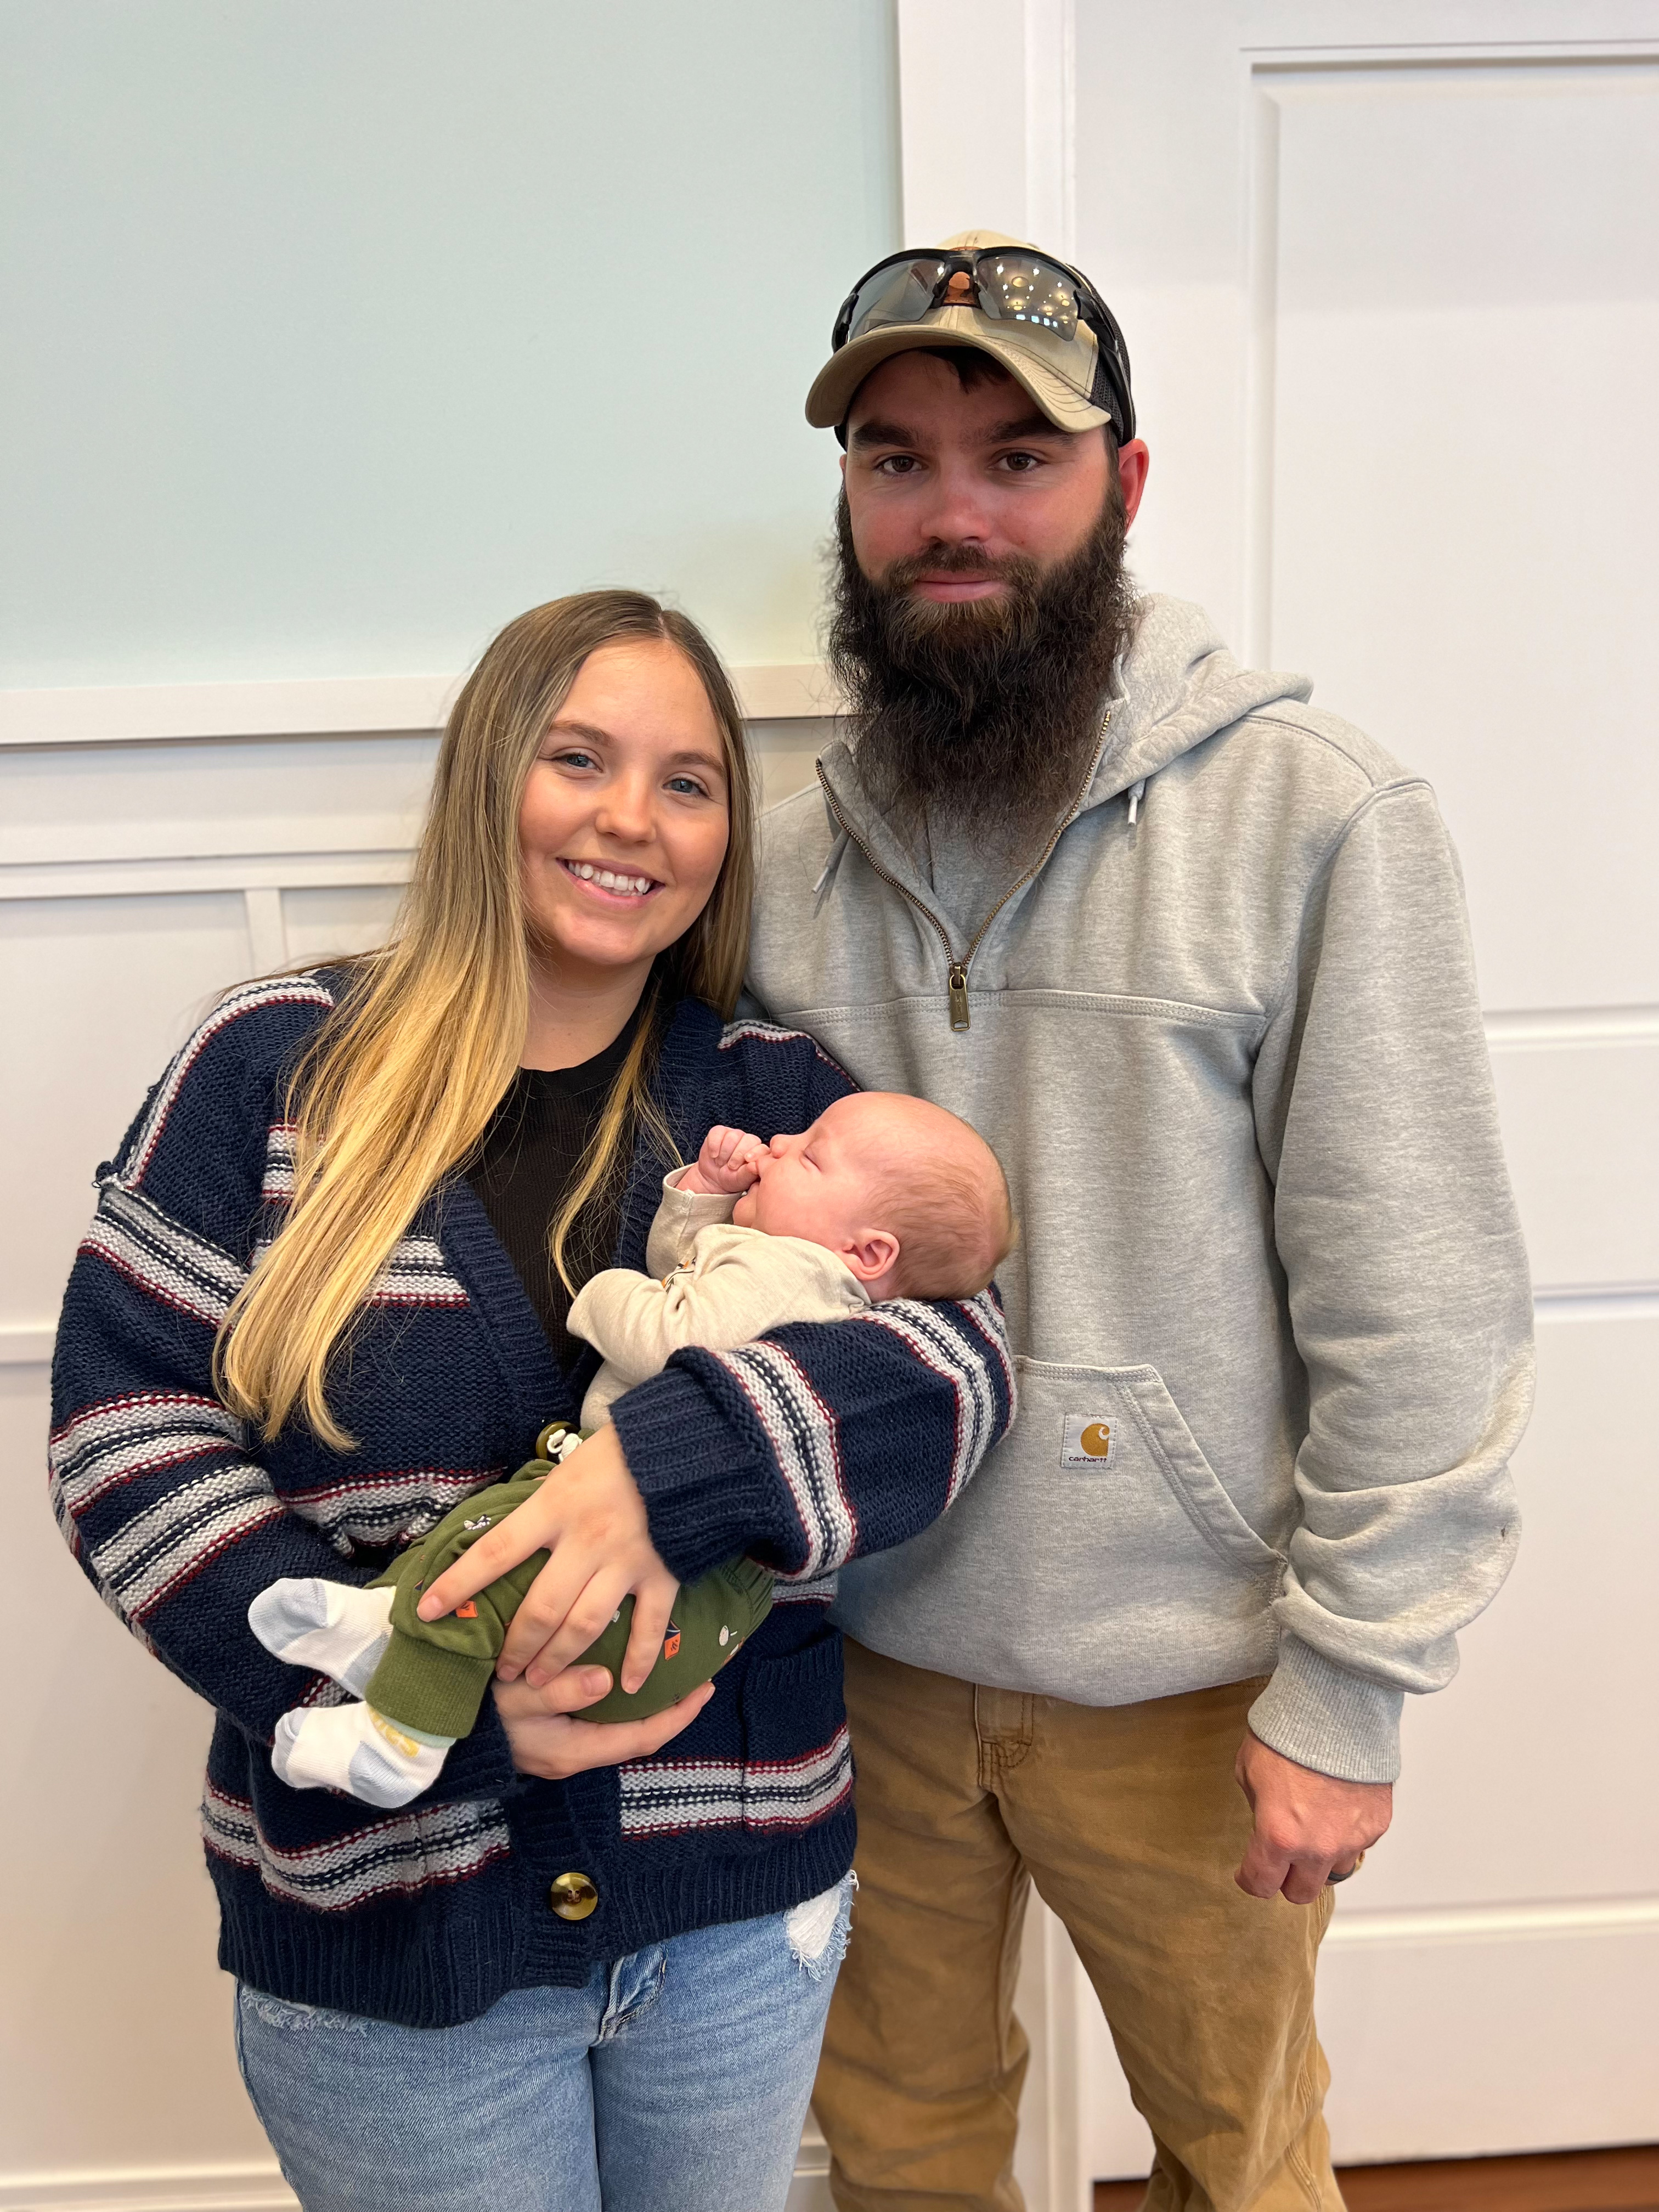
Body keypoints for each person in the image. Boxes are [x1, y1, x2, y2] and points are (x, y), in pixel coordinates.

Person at [48, 589, 1016, 2212]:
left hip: (732, 1915)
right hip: (390, 1926)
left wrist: (670, 1472)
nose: (631, 818)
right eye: (580, 758)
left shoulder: (769, 1099)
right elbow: (121, 1430)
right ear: (490, 776)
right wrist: (416, 1706)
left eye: (690, 782)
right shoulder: (273, 1068)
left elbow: (959, 1365)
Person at [743, 233, 1535, 2211]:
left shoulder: (1316, 818)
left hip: (1193, 1684)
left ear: (1125, 483)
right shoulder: (769, 857)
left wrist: (1348, 1693)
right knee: (899, 2156)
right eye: (897, 461)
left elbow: (1417, 1294)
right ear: (846, 503)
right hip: (854, 1658)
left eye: (1017, 457)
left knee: (1238, 2162)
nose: (952, 513)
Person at [250, 1091, 1014, 1808]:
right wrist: (710, 1196)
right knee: (487, 1530)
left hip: (664, 1594)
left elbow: (673, 1328)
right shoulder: (793, 1263)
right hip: (673, 1578)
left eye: (810, 1157)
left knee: (490, 1561)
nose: (781, 1141)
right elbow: (693, 1273)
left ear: (870, 1250)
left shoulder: (788, 1269)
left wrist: (600, 1293)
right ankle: (384, 1629)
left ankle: (405, 1737)